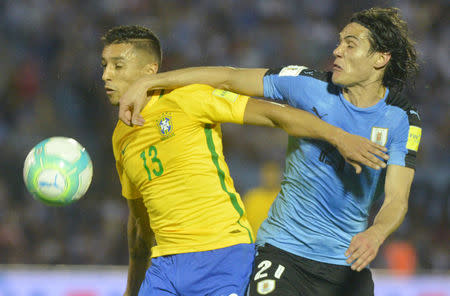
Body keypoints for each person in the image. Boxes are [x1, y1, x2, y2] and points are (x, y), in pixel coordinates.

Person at [118, 7, 422, 295]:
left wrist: (376, 234)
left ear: (380, 59)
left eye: (350, 44)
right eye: (339, 41)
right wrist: (151, 82)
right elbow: (228, 77)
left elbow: (397, 198)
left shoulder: (402, 121)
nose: (337, 50)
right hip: (282, 251)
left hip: (347, 262)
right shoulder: (307, 85)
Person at [243, 161, 281, 236]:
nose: (270, 177)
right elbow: (243, 222)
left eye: (273, 174)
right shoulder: (251, 197)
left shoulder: (284, 197)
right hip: (255, 243)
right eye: (267, 173)